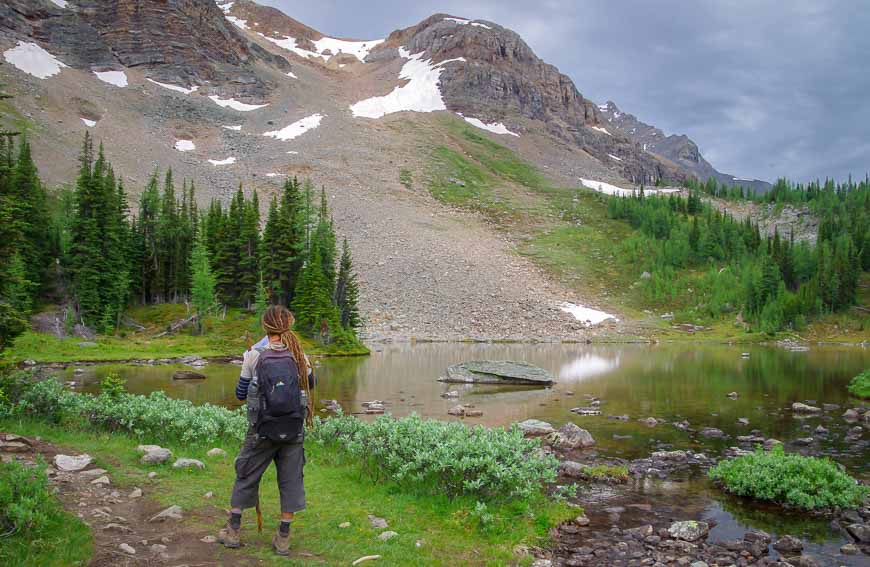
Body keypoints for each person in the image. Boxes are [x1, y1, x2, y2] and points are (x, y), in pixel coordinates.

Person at [218, 304, 315, 555]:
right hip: (293, 430)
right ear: (289, 325)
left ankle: (233, 531)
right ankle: (283, 537)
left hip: (261, 430)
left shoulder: (253, 355)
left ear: (265, 326)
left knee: (246, 473)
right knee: (291, 479)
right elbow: (311, 384)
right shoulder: (298, 354)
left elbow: (240, 394)